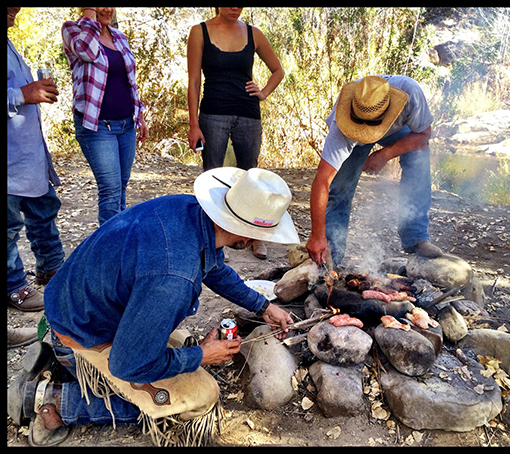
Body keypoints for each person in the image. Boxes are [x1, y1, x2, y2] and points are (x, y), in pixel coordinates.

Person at [8, 167, 300, 447]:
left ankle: (57, 366)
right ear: (247, 236)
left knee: (179, 343)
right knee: (201, 399)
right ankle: (51, 399)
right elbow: (128, 364)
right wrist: (200, 356)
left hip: (73, 307)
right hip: (80, 335)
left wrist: (263, 307)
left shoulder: (191, 212)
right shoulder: (174, 278)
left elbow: (214, 269)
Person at [306, 75, 443, 267]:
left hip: (396, 131)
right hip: (351, 137)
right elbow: (322, 181)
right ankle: (330, 254)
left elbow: (424, 135)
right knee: (340, 188)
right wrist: (316, 235)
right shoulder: (341, 125)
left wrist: (386, 154)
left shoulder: (410, 94)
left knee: (418, 155)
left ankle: (416, 236)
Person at [187, 7, 284, 260]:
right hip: (213, 113)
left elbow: (278, 70)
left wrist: (263, 92)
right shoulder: (200, 32)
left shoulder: (254, 34)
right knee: (211, 175)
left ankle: (254, 236)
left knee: (251, 176)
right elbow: (194, 81)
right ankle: (214, 238)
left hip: (248, 114)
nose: (235, 8)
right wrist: (193, 124)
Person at [7, 7, 65, 347]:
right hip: (10, 164)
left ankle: (52, 269)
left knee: (45, 211)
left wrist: (31, 93)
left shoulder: (11, 43)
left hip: (29, 155)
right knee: (9, 226)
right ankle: (14, 286)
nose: (16, 10)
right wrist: (22, 95)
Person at [62, 7, 149, 226]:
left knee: (120, 187)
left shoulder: (118, 36)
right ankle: (111, 253)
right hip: (97, 126)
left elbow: (130, 80)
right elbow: (87, 52)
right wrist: (90, 17)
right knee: (110, 190)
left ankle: (118, 243)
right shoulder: (73, 31)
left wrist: (140, 117)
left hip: (126, 125)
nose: (107, 9)